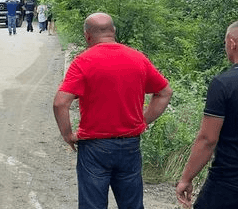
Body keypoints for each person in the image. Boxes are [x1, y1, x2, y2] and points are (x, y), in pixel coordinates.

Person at [53, 12, 172, 209]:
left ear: (87, 36)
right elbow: (165, 92)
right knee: (132, 205)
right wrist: (143, 121)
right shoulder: (137, 58)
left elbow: (60, 103)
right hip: (130, 145)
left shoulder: (83, 61)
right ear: (113, 32)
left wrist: (68, 135)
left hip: (94, 147)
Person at [176, 20, 238, 209]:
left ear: (232, 42)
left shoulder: (224, 84)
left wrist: (186, 178)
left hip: (228, 182)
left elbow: (207, 140)